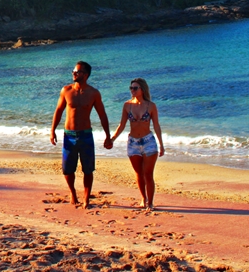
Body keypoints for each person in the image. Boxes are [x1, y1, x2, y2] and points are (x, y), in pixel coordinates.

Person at [50, 61, 112, 208]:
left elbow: (102, 115)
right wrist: (52, 131)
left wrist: (108, 135)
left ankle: (86, 199)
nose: (73, 73)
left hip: (85, 135)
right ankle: (72, 193)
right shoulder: (66, 90)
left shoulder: (93, 93)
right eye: (73, 71)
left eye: (77, 72)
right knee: (67, 169)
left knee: (88, 169)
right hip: (69, 135)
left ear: (85, 75)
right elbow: (58, 111)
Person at [110, 78, 165, 211]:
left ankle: (150, 202)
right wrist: (112, 139)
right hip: (133, 142)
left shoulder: (151, 106)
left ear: (142, 90)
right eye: (131, 88)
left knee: (148, 173)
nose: (132, 91)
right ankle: (143, 198)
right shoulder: (127, 105)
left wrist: (161, 145)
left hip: (148, 141)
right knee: (138, 173)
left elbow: (156, 126)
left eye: (135, 88)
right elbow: (122, 125)